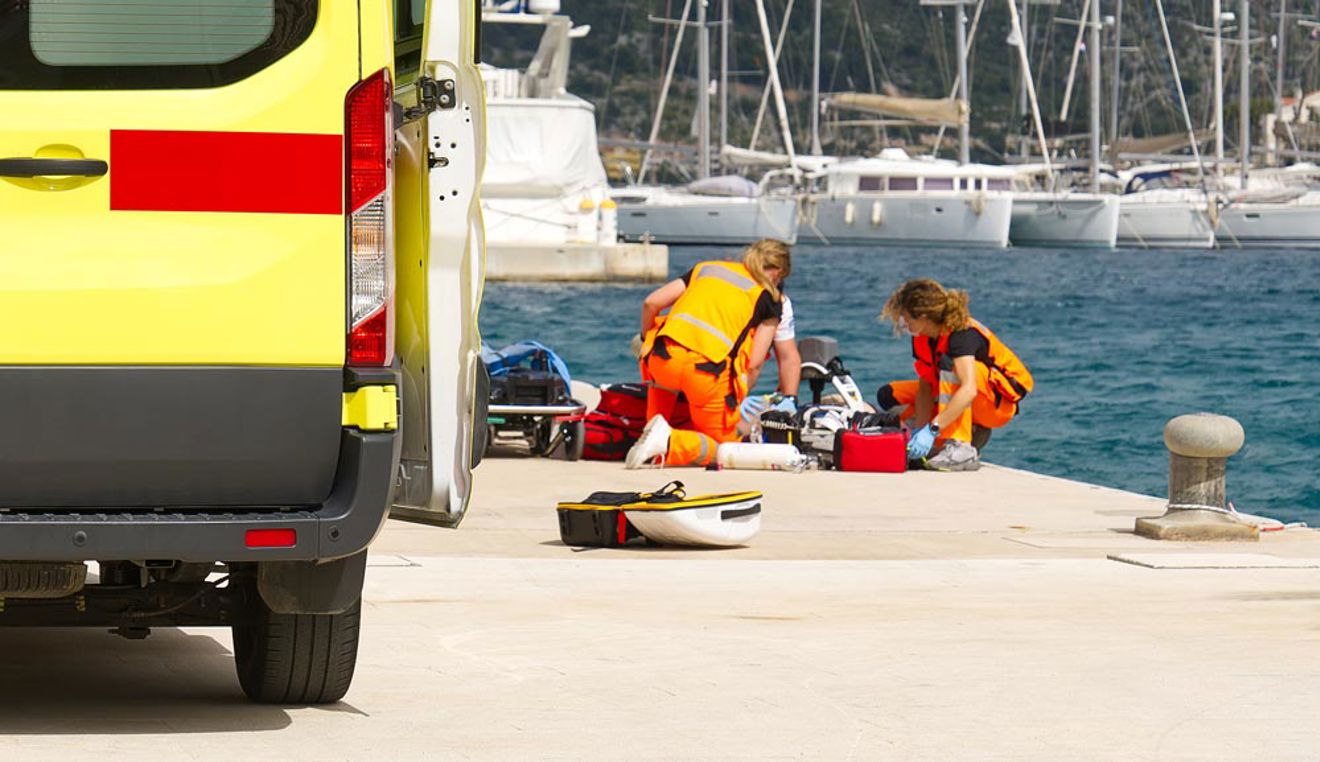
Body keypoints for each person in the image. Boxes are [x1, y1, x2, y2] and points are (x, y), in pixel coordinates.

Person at [626, 239, 791, 468]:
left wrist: (646, 341)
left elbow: (651, 303)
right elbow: (753, 364)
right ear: (779, 272)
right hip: (706, 372)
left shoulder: (707, 268)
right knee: (723, 448)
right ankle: (669, 442)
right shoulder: (769, 297)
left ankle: (653, 436)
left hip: (662, 359)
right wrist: (735, 402)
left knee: (657, 421)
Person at [876, 278, 1033, 471]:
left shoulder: (961, 333)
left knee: (950, 369)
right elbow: (926, 386)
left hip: (997, 404)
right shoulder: (922, 337)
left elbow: (968, 389)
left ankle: (960, 445)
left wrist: (932, 429)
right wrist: (919, 428)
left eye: (906, 317)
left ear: (924, 315)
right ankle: (933, 440)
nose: (903, 322)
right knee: (889, 395)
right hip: (963, 395)